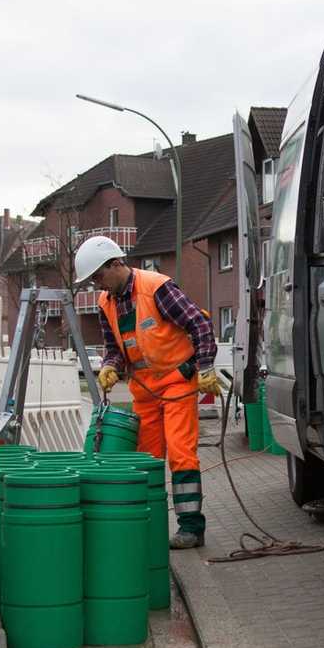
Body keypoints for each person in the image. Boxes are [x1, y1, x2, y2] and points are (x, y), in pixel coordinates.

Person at [74, 235, 223, 549]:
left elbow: (199, 325)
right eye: (92, 281)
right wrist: (110, 365)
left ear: (115, 264)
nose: (97, 285)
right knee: (146, 460)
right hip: (144, 389)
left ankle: (191, 529)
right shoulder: (106, 303)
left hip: (177, 382)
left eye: (98, 276)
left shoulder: (157, 288)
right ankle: (150, 525)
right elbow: (114, 345)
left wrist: (205, 366)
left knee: (181, 452)